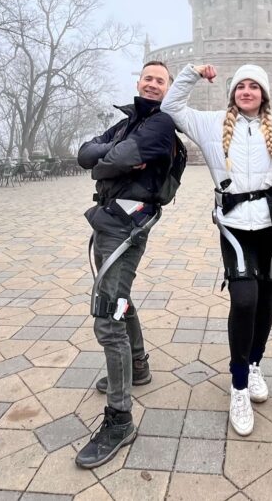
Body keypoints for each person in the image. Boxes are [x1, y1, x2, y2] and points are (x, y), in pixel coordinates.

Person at [162, 58, 272, 436]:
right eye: (241, 87)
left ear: (264, 94)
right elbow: (171, 108)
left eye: (254, 87)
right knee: (245, 300)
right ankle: (238, 387)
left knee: (266, 300)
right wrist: (191, 74)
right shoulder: (210, 124)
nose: (247, 91)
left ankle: (254, 365)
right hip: (235, 226)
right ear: (232, 93)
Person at [74, 60, 182, 469]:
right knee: (119, 298)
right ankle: (137, 365)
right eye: (148, 78)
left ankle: (119, 419)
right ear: (138, 82)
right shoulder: (125, 124)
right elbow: (87, 155)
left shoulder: (161, 124)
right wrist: (108, 159)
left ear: (169, 90)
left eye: (161, 81)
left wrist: (105, 162)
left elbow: (107, 160)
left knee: (107, 314)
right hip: (107, 219)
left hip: (129, 224)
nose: (153, 84)